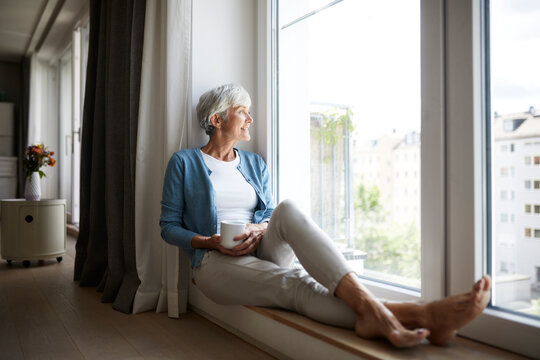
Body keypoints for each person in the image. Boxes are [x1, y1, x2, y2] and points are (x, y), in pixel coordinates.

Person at [160, 83, 491, 348]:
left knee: (288, 208)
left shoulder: (254, 163)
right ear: (217, 120)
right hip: (213, 264)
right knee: (296, 283)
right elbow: (169, 227)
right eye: (242, 112)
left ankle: (395, 316)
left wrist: (261, 229)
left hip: (258, 247)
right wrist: (211, 242)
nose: (250, 119)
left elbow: (271, 212)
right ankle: (423, 316)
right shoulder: (185, 162)